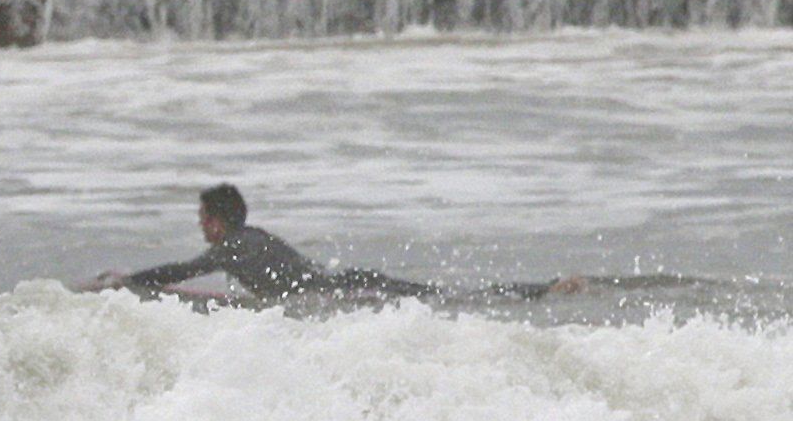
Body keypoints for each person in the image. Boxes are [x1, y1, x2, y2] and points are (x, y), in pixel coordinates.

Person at [83, 182, 581, 304]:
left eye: (201, 219)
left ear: (216, 222)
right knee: (447, 295)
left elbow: (181, 272)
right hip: (349, 283)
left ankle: (545, 289)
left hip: (344, 291)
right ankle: (546, 288)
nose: (200, 227)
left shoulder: (233, 246)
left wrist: (127, 281)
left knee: (453, 297)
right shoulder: (253, 239)